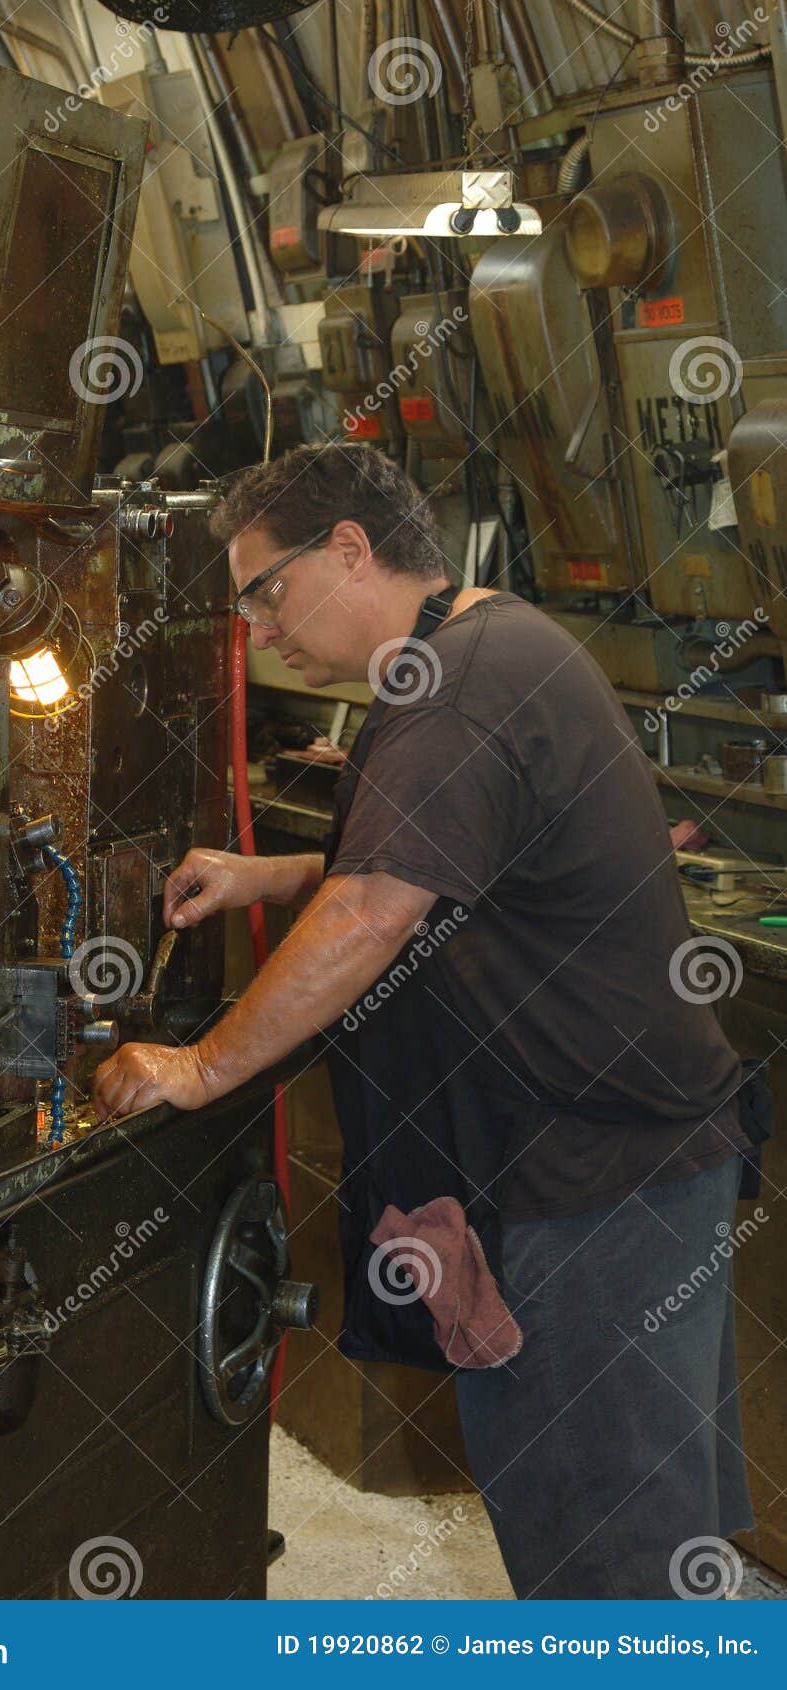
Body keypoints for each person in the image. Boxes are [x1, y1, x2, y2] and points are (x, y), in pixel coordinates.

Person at [90, 443, 757, 1599]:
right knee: (637, 1539)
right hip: (608, 1167)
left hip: (593, 1186)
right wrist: (275, 875)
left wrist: (200, 1064)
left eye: (265, 591)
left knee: (611, 1563)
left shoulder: (455, 684)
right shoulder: (490, 645)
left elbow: (372, 913)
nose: (259, 629)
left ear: (348, 550)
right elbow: (455, 869)